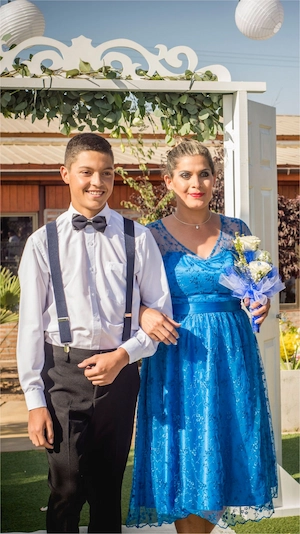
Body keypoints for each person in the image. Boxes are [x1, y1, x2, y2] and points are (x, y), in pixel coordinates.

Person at [17, 133, 172, 534]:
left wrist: (123, 356)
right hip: (62, 372)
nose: (96, 182)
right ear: (66, 173)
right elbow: (32, 327)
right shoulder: (40, 243)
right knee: (66, 486)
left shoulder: (138, 238)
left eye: (106, 173)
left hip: (121, 373)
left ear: (114, 176)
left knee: (107, 488)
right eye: (86, 172)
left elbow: (160, 314)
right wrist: (34, 400)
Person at [126, 139, 277, 534]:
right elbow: (128, 299)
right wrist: (143, 313)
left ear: (214, 179)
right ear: (169, 182)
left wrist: (263, 304)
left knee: (226, 445)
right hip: (178, 355)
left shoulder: (237, 231)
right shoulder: (150, 237)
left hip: (232, 353)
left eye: (205, 174)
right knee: (188, 453)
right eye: (186, 175)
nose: (197, 183)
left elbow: (257, 285)